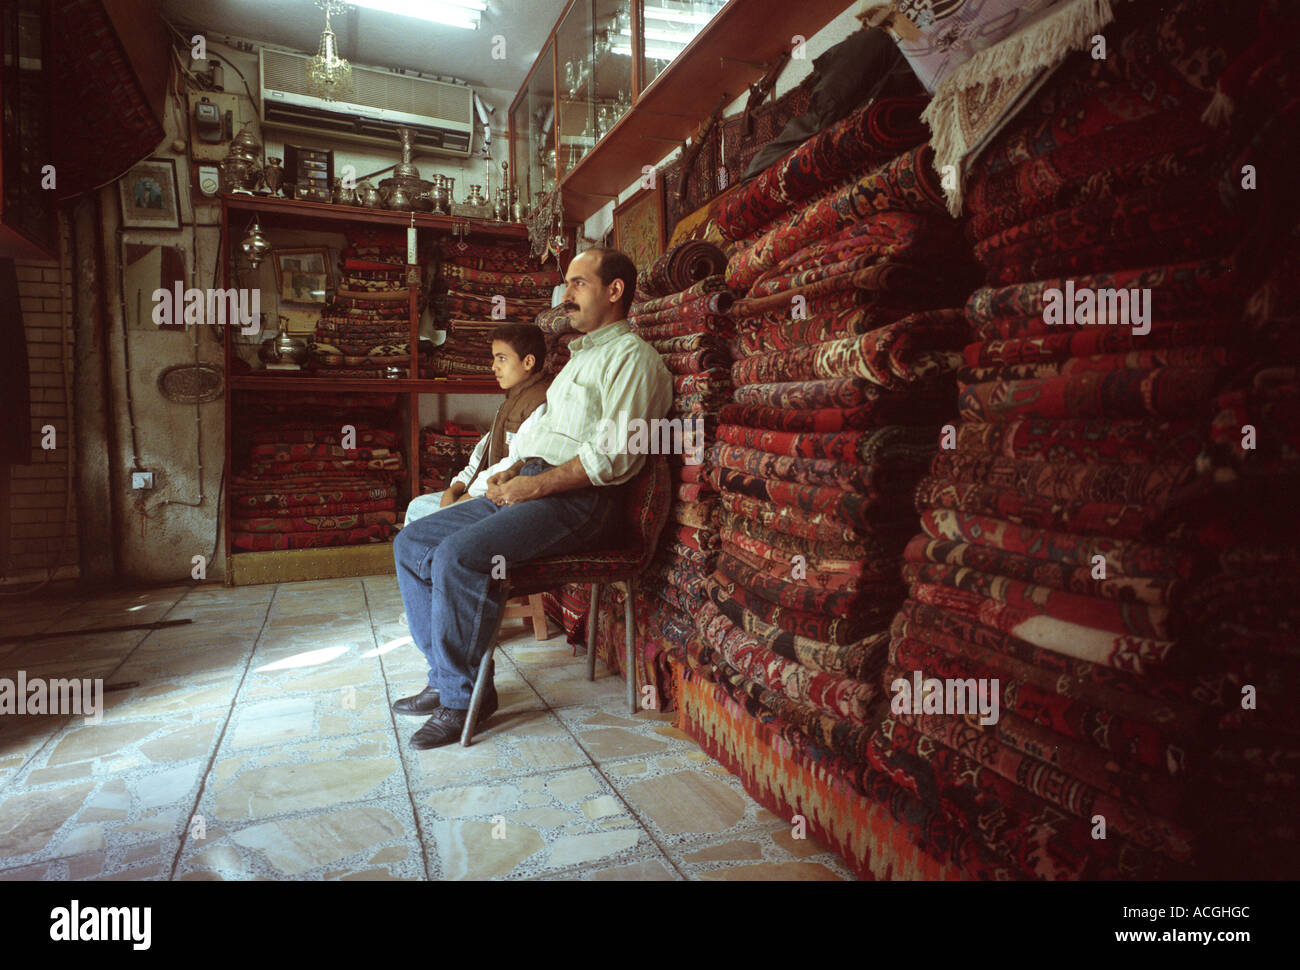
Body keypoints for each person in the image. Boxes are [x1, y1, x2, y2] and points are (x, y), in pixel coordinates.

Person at [392, 247, 673, 749]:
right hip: (535, 485)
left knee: (459, 557)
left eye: (579, 284)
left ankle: (464, 703)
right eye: (567, 284)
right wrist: (507, 474)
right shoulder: (573, 364)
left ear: (615, 291)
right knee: (412, 543)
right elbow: (537, 439)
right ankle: (446, 677)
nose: (567, 295)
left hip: (584, 502)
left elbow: (613, 458)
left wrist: (533, 484)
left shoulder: (634, 360)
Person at [404, 323, 550, 525]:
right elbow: (481, 455)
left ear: (528, 362)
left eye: (502, 358)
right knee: (417, 506)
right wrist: (455, 488)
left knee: (423, 515)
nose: (493, 367)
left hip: (503, 498)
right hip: (480, 491)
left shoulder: (540, 403)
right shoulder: (512, 400)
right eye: (494, 358)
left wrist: (467, 497)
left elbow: (515, 464)